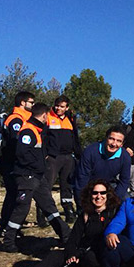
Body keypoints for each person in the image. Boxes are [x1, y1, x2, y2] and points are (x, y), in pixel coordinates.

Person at [0, 180, 121, 267]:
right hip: (82, 255)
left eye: (102, 193)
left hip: (100, 258)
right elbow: (73, 239)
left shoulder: (115, 213)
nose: (99, 196)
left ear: (108, 195)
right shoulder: (86, 215)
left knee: (90, 257)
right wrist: (72, 253)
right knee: (54, 256)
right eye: (95, 193)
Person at [1, 103, 70, 252]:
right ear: (44, 115)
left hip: (37, 176)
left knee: (49, 206)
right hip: (27, 176)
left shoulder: (36, 130)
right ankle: (8, 241)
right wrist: (36, 166)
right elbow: (22, 154)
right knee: (22, 208)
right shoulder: (28, 130)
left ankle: (66, 236)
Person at [0, 90, 35, 231]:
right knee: (13, 194)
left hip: (15, 163)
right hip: (11, 163)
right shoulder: (16, 119)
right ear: (22, 102)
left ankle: (10, 225)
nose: (33, 105)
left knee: (15, 194)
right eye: (31, 102)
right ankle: (6, 226)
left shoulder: (24, 118)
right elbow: (16, 140)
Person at [43, 94, 81, 223]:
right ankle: (43, 212)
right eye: (57, 105)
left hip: (68, 157)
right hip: (53, 157)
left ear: (67, 107)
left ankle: (68, 210)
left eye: (62, 106)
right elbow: (42, 137)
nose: (59, 108)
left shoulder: (70, 119)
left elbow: (75, 137)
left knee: (67, 185)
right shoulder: (48, 117)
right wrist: (45, 154)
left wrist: (78, 154)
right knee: (47, 185)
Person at [74, 126, 131, 202]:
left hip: (109, 185)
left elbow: (124, 181)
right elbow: (82, 179)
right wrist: (83, 204)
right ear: (106, 138)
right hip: (90, 184)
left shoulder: (125, 157)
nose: (114, 144)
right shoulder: (90, 151)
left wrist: (113, 200)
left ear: (122, 144)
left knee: (126, 199)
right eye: (111, 139)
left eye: (118, 141)